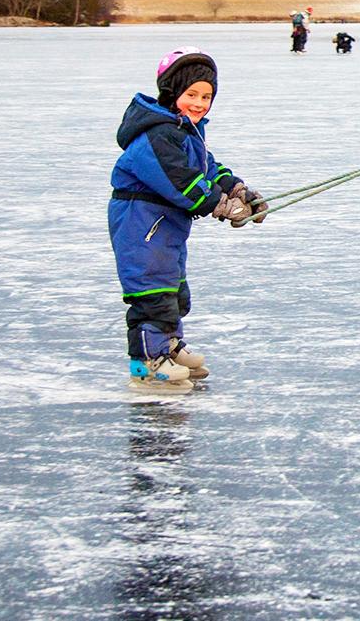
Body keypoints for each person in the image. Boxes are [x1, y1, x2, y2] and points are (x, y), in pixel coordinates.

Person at [109, 48, 268, 393]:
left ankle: (169, 347)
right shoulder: (157, 135)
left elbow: (208, 168)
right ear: (171, 93)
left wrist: (239, 191)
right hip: (142, 224)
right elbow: (181, 181)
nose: (199, 103)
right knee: (152, 291)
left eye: (206, 96)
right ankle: (148, 363)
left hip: (166, 226)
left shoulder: (184, 131)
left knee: (173, 290)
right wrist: (219, 205)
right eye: (191, 95)